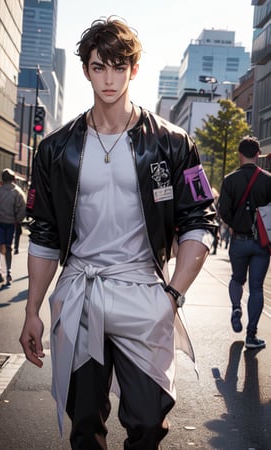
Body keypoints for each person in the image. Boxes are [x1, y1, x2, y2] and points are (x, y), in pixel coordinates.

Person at [19, 17, 216, 450]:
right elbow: (46, 232)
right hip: (79, 295)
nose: (109, 78)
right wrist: (33, 309)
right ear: (86, 70)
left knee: (148, 423)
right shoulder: (56, 148)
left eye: (118, 66)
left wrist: (173, 296)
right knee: (85, 426)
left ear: (134, 69)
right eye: (98, 67)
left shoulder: (173, 143)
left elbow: (200, 219)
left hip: (145, 292)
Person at [219, 136, 271, 350]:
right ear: (258, 154)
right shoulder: (268, 180)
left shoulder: (230, 179)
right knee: (256, 288)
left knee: (237, 279)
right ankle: (251, 335)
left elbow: (223, 210)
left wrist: (232, 225)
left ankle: (235, 308)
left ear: (240, 154)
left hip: (239, 240)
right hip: (261, 243)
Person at [0, 168, 26, 286]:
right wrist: (17, 220)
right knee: (8, 247)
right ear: (13, 179)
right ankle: (8, 272)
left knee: (0, 246)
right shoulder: (18, 192)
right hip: (11, 223)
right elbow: (22, 209)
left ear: (2, 179)